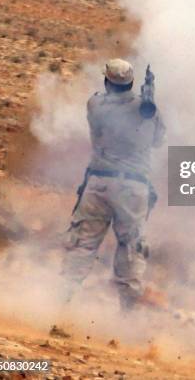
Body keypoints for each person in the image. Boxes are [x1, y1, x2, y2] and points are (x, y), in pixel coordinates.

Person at [62, 58, 166, 309]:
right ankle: (128, 315)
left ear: (107, 80)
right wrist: (146, 104)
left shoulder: (96, 104)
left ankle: (59, 305)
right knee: (131, 249)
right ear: (131, 83)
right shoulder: (146, 109)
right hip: (133, 188)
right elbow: (157, 141)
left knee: (83, 246)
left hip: (98, 184)